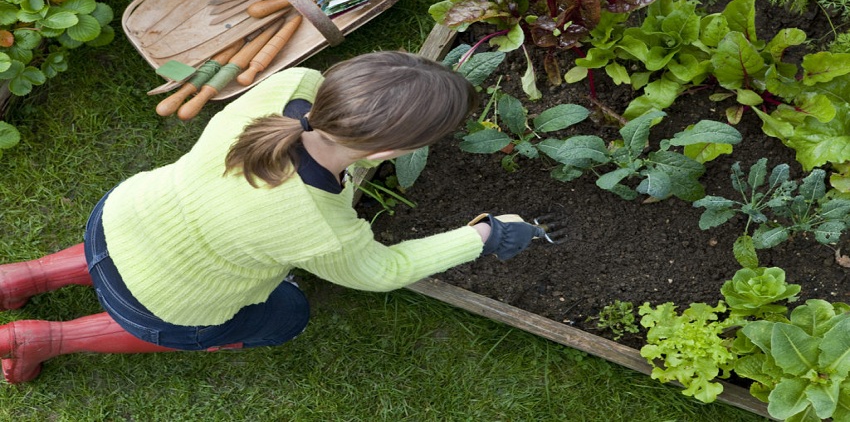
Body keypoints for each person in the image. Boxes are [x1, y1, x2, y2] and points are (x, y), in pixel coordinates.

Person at [0, 51, 549, 384]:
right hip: (162, 305)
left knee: (148, 248)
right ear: (384, 154)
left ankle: (22, 278)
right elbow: (381, 272)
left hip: (121, 217)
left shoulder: (292, 87)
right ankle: (46, 339)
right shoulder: (320, 226)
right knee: (287, 313)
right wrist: (483, 234)